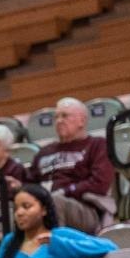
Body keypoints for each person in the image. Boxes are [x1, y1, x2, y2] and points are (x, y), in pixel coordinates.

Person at [27, 96, 116, 234]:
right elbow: (30, 182)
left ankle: (56, 249)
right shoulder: (44, 152)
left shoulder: (97, 145)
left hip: (85, 208)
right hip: (45, 205)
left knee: (55, 202)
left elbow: (100, 183)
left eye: (65, 116)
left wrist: (66, 191)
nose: (59, 121)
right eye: (56, 117)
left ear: (82, 120)